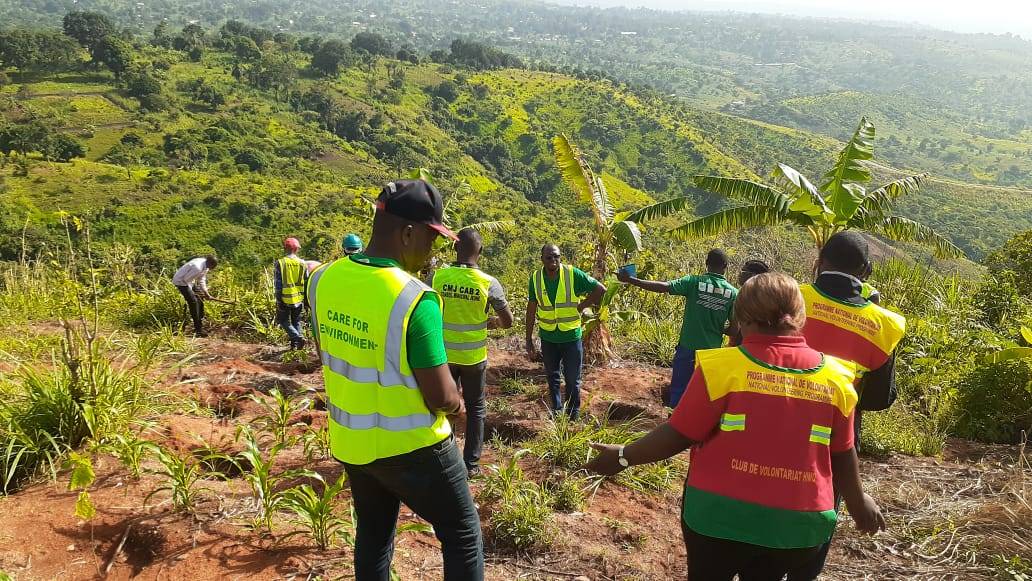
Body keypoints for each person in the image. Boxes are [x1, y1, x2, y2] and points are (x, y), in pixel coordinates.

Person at [586, 272, 885, 580]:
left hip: (717, 520)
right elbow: (843, 451)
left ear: (740, 318)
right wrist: (857, 500)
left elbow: (679, 434)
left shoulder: (722, 368)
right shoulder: (837, 377)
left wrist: (623, 456)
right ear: (800, 317)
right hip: (798, 527)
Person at [307, 179, 483, 581]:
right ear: (407, 233)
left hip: (352, 441)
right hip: (414, 447)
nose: (434, 250)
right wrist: (459, 407)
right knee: (462, 534)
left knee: (373, 533)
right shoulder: (414, 299)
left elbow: (329, 354)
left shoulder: (321, 280)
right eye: (432, 238)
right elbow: (440, 395)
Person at [788, 231, 906, 581]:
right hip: (836, 437)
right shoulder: (884, 324)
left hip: (775, 413)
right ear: (867, 272)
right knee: (821, 508)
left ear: (820, 261)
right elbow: (878, 399)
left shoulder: (792, 299)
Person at [432, 228, 514, 476]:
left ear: (455, 248)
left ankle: (442, 460)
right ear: (480, 251)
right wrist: (492, 323)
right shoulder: (488, 282)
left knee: (441, 406)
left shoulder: (437, 278)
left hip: (442, 356)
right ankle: (471, 465)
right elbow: (508, 321)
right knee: (476, 408)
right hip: (473, 358)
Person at [617, 249, 737, 407]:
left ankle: (673, 426)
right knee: (704, 396)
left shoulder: (694, 282)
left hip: (687, 349)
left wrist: (634, 280)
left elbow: (664, 287)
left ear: (706, 264)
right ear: (725, 266)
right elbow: (734, 330)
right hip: (710, 353)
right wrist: (717, 327)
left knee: (679, 393)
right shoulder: (734, 293)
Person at [525, 244, 605, 421]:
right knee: (552, 377)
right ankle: (557, 410)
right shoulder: (536, 278)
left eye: (556, 257)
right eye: (549, 258)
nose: (553, 260)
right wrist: (528, 339)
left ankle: (573, 414)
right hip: (548, 337)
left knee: (572, 378)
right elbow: (531, 309)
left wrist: (583, 305)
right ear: (542, 259)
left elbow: (600, 289)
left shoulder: (571, 274)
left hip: (571, 337)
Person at [274, 237, 308, 350]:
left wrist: (278, 300)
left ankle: (297, 338)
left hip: (285, 297)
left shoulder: (280, 263)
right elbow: (306, 281)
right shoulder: (303, 263)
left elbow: (278, 284)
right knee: (296, 321)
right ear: (297, 249)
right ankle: (296, 346)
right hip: (298, 297)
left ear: (285, 248)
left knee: (283, 321)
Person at [172, 255, 218, 337]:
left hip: (189, 281)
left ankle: (200, 324)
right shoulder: (198, 267)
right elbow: (186, 280)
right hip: (180, 281)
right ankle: (198, 330)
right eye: (212, 267)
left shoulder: (205, 265)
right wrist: (192, 293)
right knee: (193, 302)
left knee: (200, 300)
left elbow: (201, 279)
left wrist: (206, 293)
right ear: (210, 264)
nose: (212, 269)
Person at [728, 259, 771, 347]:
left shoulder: (745, 297)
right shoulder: (769, 298)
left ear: (753, 276)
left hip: (743, 348)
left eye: (743, 271)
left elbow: (736, 330)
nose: (740, 274)